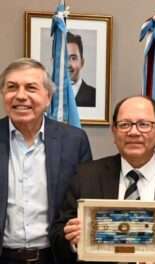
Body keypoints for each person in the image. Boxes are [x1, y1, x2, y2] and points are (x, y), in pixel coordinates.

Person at [49, 96, 155, 264]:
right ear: (114, 132)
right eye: (124, 124)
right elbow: (58, 232)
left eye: (144, 124)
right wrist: (71, 239)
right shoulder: (85, 176)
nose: (133, 132)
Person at [0, 58, 92, 263]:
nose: (20, 96)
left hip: (55, 256)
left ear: (48, 97)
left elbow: (83, 200)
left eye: (31, 88)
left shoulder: (74, 141)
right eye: (12, 87)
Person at [67, 31, 96, 107]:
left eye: (73, 58)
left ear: (82, 62)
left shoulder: (94, 95)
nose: (68, 64)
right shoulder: (48, 95)